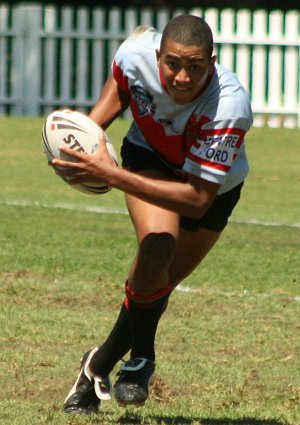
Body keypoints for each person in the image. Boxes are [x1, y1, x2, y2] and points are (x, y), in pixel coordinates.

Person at [52, 14, 253, 414]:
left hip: (212, 191)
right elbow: (119, 92)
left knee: (154, 289)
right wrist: (77, 142)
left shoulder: (228, 105)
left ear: (211, 65)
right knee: (157, 247)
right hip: (150, 158)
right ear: (158, 55)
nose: (181, 77)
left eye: (195, 67)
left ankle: (98, 365)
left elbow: (197, 199)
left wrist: (112, 175)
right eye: (173, 64)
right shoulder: (134, 54)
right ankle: (141, 361)